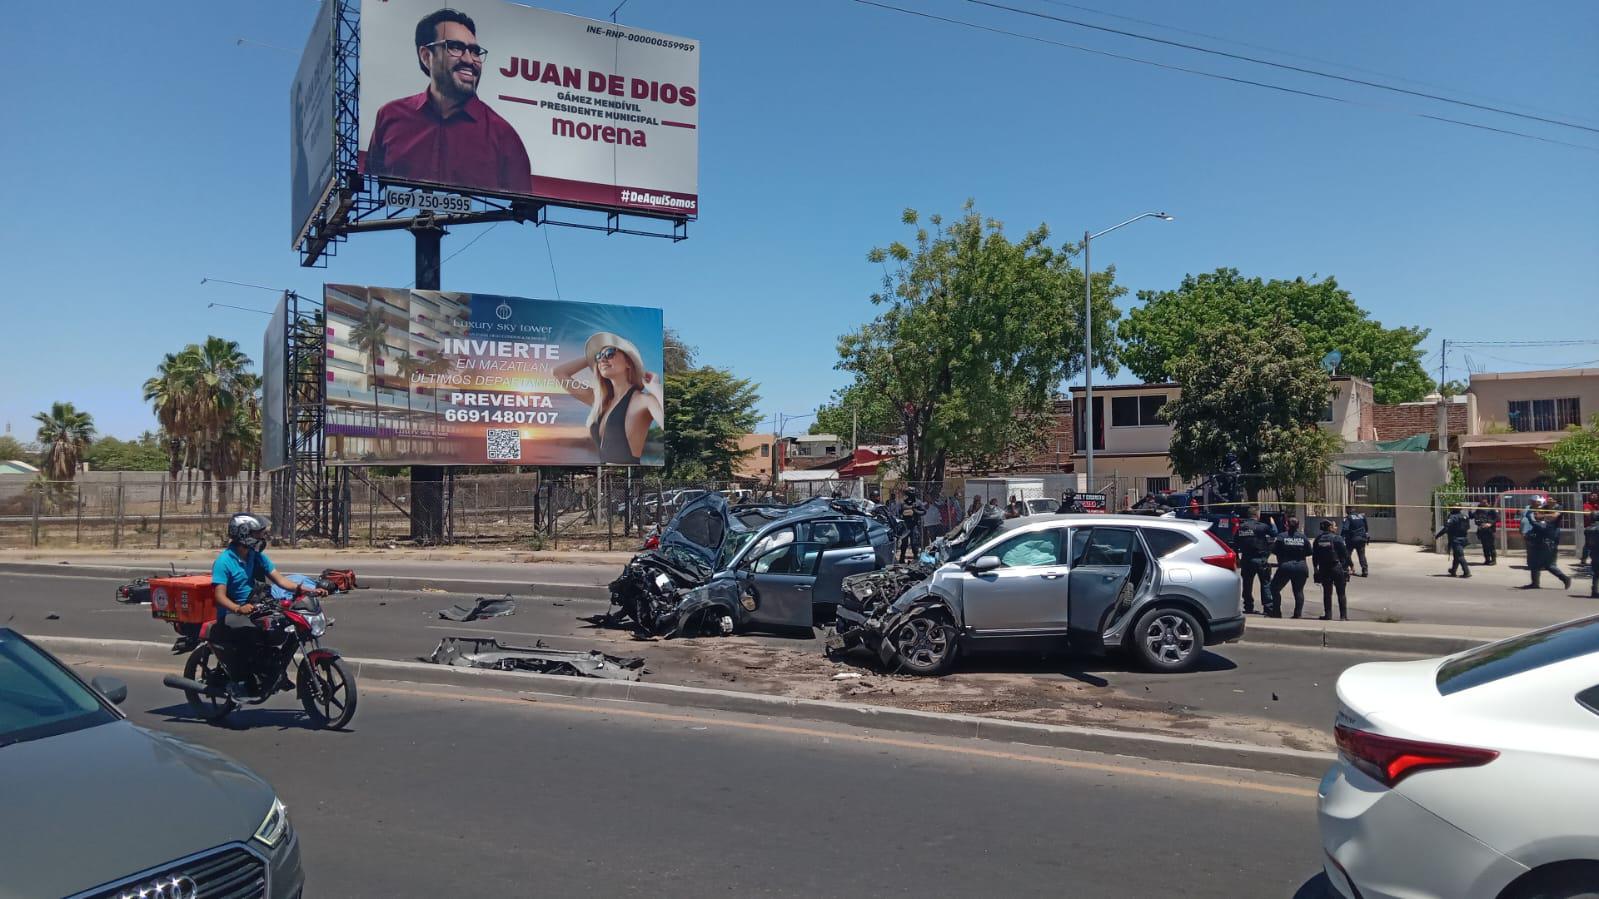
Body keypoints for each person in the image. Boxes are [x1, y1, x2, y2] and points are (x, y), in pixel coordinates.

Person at [366, 9, 533, 195]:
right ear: (426, 56)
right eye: (455, 47)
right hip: (396, 223)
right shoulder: (390, 116)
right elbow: (370, 192)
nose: (469, 59)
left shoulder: (504, 136)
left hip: (476, 226)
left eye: (475, 51)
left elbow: (521, 212)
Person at [210, 514, 326, 681]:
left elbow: (281, 581)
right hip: (232, 613)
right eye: (258, 534)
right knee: (251, 633)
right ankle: (244, 679)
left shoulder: (256, 556)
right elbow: (219, 596)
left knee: (283, 626)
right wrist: (238, 608)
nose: (262, 537)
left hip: (257, 607)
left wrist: (307, 590)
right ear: (243, 534)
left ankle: (274, 669)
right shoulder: (224, 562)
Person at [552, 333, 663, 464]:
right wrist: (591, 358)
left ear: (628, 362)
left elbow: (667, 423)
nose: (602, 360)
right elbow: (559, 373)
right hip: (604, 474)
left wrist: (656, 388)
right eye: (599, 357)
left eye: (610, 353)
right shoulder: (599, 400)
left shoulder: (644, 400)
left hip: (628, 476)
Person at [1233, 507, 1276, 615]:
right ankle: (1268, 607)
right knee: (1265, 583)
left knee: (1247, 584)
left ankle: (1248, 607)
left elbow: (1234, 544)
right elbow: (1275, 533)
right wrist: (1273, 522)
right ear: (1257, 515)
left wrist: (1237, 558)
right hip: (1260, 559)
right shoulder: (1262, 527)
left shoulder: (1241, 528)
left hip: (1246, 560)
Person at [1268, 517, 1311, 618]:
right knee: (1298, 591)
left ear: (1287, 525)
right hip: (1301, 566)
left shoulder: (1281, 537)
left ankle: (1276, 612)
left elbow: (1274, 550)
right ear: (1298, 526)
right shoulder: (1303, 537)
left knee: (1274, 588)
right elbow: (1309, 552)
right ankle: (1297, 614)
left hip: (1286, 566)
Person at [1522, 503, 1572, 590]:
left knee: (1547, 565)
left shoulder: (1548, 523)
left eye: (1538, 513)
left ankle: (1565, 578)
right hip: (1541, 546)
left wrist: (1529, 517)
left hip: (1547, 547)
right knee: (1537, 565)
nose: (1535, 514)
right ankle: (1535, 583)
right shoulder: (1542, 522)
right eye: (1535, 513)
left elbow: (1538, 526)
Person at [1312, 520, 1353, 621]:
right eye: (1334, 526)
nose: (1336, 528)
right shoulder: (1337, 538)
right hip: (1336, 567)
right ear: (1330, 527)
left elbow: (1315, 556)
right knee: (1341, 592)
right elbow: (1345, 554)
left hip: (1324, 568)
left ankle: (1328, 615)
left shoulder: (1317, 539)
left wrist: (1315, 568)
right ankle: (1343, 616)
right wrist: (1351, 565)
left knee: (1327, 593)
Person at [1434, 506, 1473, 578]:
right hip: (1464, 539)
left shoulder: (1453, 517)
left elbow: (1446, 528)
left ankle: (1466, 572)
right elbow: (1468, 527)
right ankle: (1453, 570)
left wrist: (1438, 535)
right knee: (1456, 555)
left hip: (1456, 539)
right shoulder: (1465, 516)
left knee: (1460, 556)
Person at [898, 489, 927, 562]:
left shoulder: (918, 502)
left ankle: (916, 558)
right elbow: (899, 512)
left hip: (914, 525)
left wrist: (915, 511)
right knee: (904, 543)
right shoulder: (903, 502)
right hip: (905, 526)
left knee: (914, 543)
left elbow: (923, 512)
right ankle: (902, 558)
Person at [1341, 507, 1371, 577]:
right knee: (1361, 555)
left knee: (1347, 554)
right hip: (1361, 539)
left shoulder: (1348, 518)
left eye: (1346, 510)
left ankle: (1345, 569)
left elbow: (1345, 528)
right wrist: (1365, 535)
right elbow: (1366, 527)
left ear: (1349, 510)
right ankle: (1365, 570)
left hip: (1351, 539)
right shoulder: (1362, 516)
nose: (1346, 511)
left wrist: (1341, 537)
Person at [1581, 491, 1599, 570]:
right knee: (1588, 544)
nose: (1593, 497)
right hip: (1589, 528)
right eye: (1592, 496)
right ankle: (1584, 559)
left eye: (1595, 496)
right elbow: (1587, 513)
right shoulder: (1586, 505)